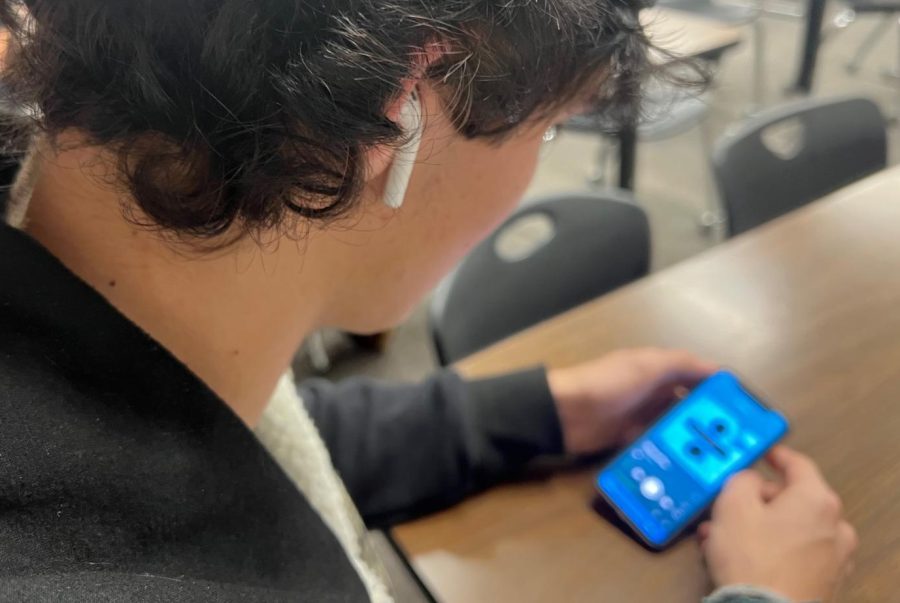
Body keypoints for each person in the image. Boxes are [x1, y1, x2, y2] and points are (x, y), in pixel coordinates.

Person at [0, 0, 856, 601]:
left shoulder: (96, 329)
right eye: (547, 130)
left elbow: (245, 438)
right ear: (399, 115)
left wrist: (540, 411)